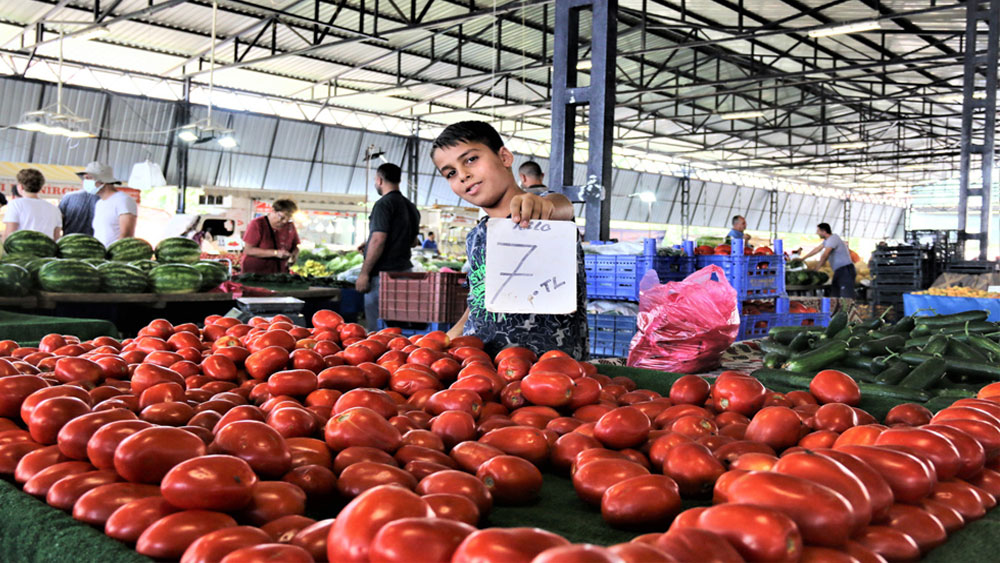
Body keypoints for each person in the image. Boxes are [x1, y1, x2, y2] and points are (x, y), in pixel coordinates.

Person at [431, 121, 586, 359]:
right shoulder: (476, 236)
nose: (463, 175)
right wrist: (449, 337)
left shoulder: (544, 215)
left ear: (504, 157)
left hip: (548, 370)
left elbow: (561, 207)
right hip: (481, 368)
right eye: (450, 173)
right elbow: (480, 299)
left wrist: (542, 205)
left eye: (471, 159)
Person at [356, 163, 420, 331]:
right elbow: (413, 241)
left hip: (383, 278)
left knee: (378, 334)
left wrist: (364, 273)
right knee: (399, 330)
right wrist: (369, 242)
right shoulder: (411, 207)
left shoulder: (383, 204)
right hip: (405, 274)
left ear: (379, 180)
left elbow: (379, 239)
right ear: (399, 180)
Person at [77, 162, 137, 246]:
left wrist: (111, 254)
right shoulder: (99, 203)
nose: (84, 182)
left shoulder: (123, 200)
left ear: (102, 181)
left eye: (88, 178)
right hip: (101, 255)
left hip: (115, 257)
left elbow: (126, 235)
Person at [241, 199, 301, 274]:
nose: (285, 221)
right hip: (255, 273)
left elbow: (295, 246)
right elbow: (248, 250)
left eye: (289, 218)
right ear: (273, 210)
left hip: (279, 273)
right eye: (282, 217)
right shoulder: (257, 224)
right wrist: (275, 253)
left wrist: (294, 255)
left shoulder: (290, 226)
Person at [3, 168, 62, 241]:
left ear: (20, 186)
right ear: (41, 187)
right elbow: (56, 238)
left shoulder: (15, 204)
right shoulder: (54, 209)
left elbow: (9, 235)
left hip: (21, 251)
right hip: (46, 251)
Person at [802, 222, 856, 298]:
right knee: (835, 295)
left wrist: (817, 268)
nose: (817, 233)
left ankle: (847, 310)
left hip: (845, 270)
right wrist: (803, 258)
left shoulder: (833, 239)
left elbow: (825, 255)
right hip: (839, 270)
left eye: (818, 231)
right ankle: (837, 309)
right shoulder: (827, 241)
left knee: (846, 296)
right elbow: (817, 249)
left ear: (824, 231)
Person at [61, 163, 103, 236]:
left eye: (90, 178)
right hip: (95, 243)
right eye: (86, 178)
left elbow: (58, 222)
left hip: (69, 242)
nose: (87, 180)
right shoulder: (105, 199)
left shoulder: (68, 197)